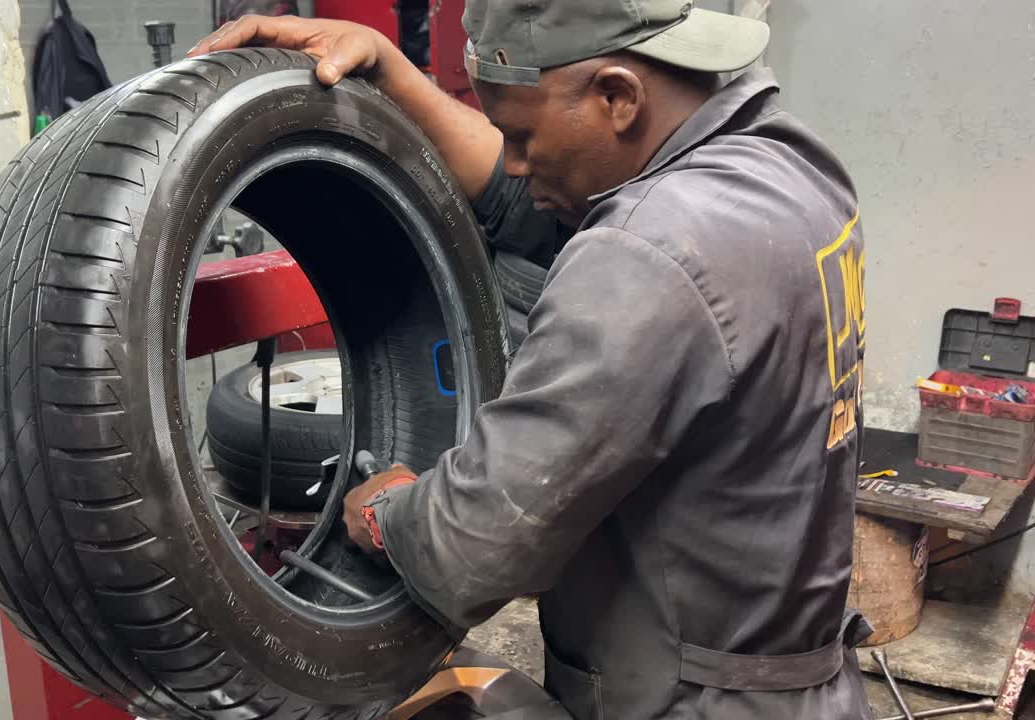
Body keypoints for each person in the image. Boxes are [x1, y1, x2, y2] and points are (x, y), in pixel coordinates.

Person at [190, 2, 872, 719]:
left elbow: (476, 545)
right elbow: (541, 204)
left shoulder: (645, 259)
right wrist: (395, 75)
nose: (513, 159)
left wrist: (386, 509)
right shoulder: (791, 170)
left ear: (617, 97)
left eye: (521, 133)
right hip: (798, 681)